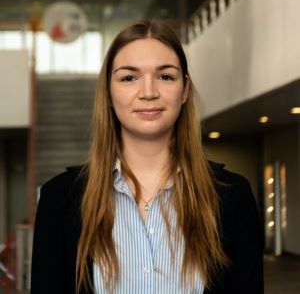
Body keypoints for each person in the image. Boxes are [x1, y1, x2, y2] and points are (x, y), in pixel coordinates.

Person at [31, 20, 263, 294]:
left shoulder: (233, 196)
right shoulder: (59, 198)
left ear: (185, 90)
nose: (149, 92)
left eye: (165, 76)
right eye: (129, 78)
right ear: (108, 91)